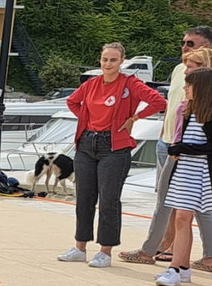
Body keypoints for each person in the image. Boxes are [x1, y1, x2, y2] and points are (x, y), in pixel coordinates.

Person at [121, 27, 212, 270]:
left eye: (191, 44)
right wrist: (165, 134)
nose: (185, 47)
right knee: (175, 203)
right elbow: (173, 106)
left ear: (207, 48)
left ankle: (154, 251)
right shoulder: (178, 70)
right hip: (169, 142)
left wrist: (195, 148)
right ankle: (173, 248)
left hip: (191, 151)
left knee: (184, 206)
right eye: (184, 42)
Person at [57, 43, 165, 267]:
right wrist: (84, 120)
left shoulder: (130, 83)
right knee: (84, 197)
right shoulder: (91, 84)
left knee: (109, 199)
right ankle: (80, 246)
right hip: (87, 143)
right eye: (105, 59)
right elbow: (72, 101)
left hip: (114, 146)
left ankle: (105, 251)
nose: (108, 64)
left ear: (121, 61)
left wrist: (135, 117)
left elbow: (158, 102)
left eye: (113, 60)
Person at [155, 68, 212, 286]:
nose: (185, 89)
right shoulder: (189, 111)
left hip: (200, 173)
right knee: (182, 219)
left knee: (182, 217)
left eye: (188, 86)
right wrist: (178, 148)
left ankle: (174, 267)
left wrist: (186, 148)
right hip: (184, 171)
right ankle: (183, 268)